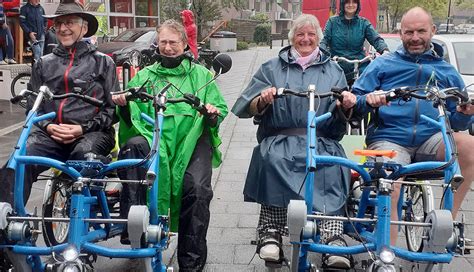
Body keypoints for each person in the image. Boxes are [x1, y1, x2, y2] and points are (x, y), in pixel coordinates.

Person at [232, 14, 356, 269]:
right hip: (282, 137)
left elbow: (341, 116)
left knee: (333, 164)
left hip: (321, 139)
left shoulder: (333, 70)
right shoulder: (271, 68)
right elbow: (249, 106)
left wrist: (346, 105)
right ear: (292, 38)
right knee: (271, 158)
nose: (306, 39)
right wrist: (263, 100)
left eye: (311, 35)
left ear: (319, 39)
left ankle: (332, 235)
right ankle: (271, 231)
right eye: (300, 34)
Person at [112, 19, 228, 271]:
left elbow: (219, 109)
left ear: (184, 44)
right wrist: (123, 103)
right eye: (163, 42)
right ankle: (134, 228)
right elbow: (130, 110)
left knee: (196, 189)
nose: (167, 47)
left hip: (191, 140)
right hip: (153, 136)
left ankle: (191, 261)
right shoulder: (144, 76)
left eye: (173, 42)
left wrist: (210, 112)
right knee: (132, 148)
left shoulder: (202, 76)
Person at [352, 6, 474, 245]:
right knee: (391, 186)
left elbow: (456, 120)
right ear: (401, 33)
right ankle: (388, 254)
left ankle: (445, 225)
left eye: (421, 31)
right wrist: (369, 99)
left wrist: (465, 114)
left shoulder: (447, 72)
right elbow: (354, 102)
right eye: (409, 32)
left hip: (432, 138)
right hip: (390, 138)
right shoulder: (382, 65)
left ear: (433, 31)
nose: (415, 37)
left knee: (470, 146)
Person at [0, 0, 119, 205]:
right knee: (18, 161)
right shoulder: (43, 63)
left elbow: (112, 109)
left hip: (91, 134)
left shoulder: (103, 63)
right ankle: (6, 223)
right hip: (49, 135)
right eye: (59, 23)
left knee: (83, 157)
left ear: (84, 27)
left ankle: (79, 220)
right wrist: (49, 126)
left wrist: (81, 129)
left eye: (70, 22)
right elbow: (32, 106)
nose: (63, 28)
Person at [320, 0, 388, 85]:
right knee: (328, 88)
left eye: (354, 2)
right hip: (336, 65)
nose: (351, 5)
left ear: (358, 4)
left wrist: (384, 50)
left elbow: (376, 39)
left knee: (372, 83)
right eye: (347, 2)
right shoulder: (332, 22)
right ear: (343, 4)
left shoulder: (363, 23)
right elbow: (324, 40)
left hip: (359, 65)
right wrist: (321, 52)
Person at [0, 0, 16, 64]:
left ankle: (10, 58)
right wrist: (2, 23)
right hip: (2, 24)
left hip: (3, 25)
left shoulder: (1, 5)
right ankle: (0, 59)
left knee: (10, 40)